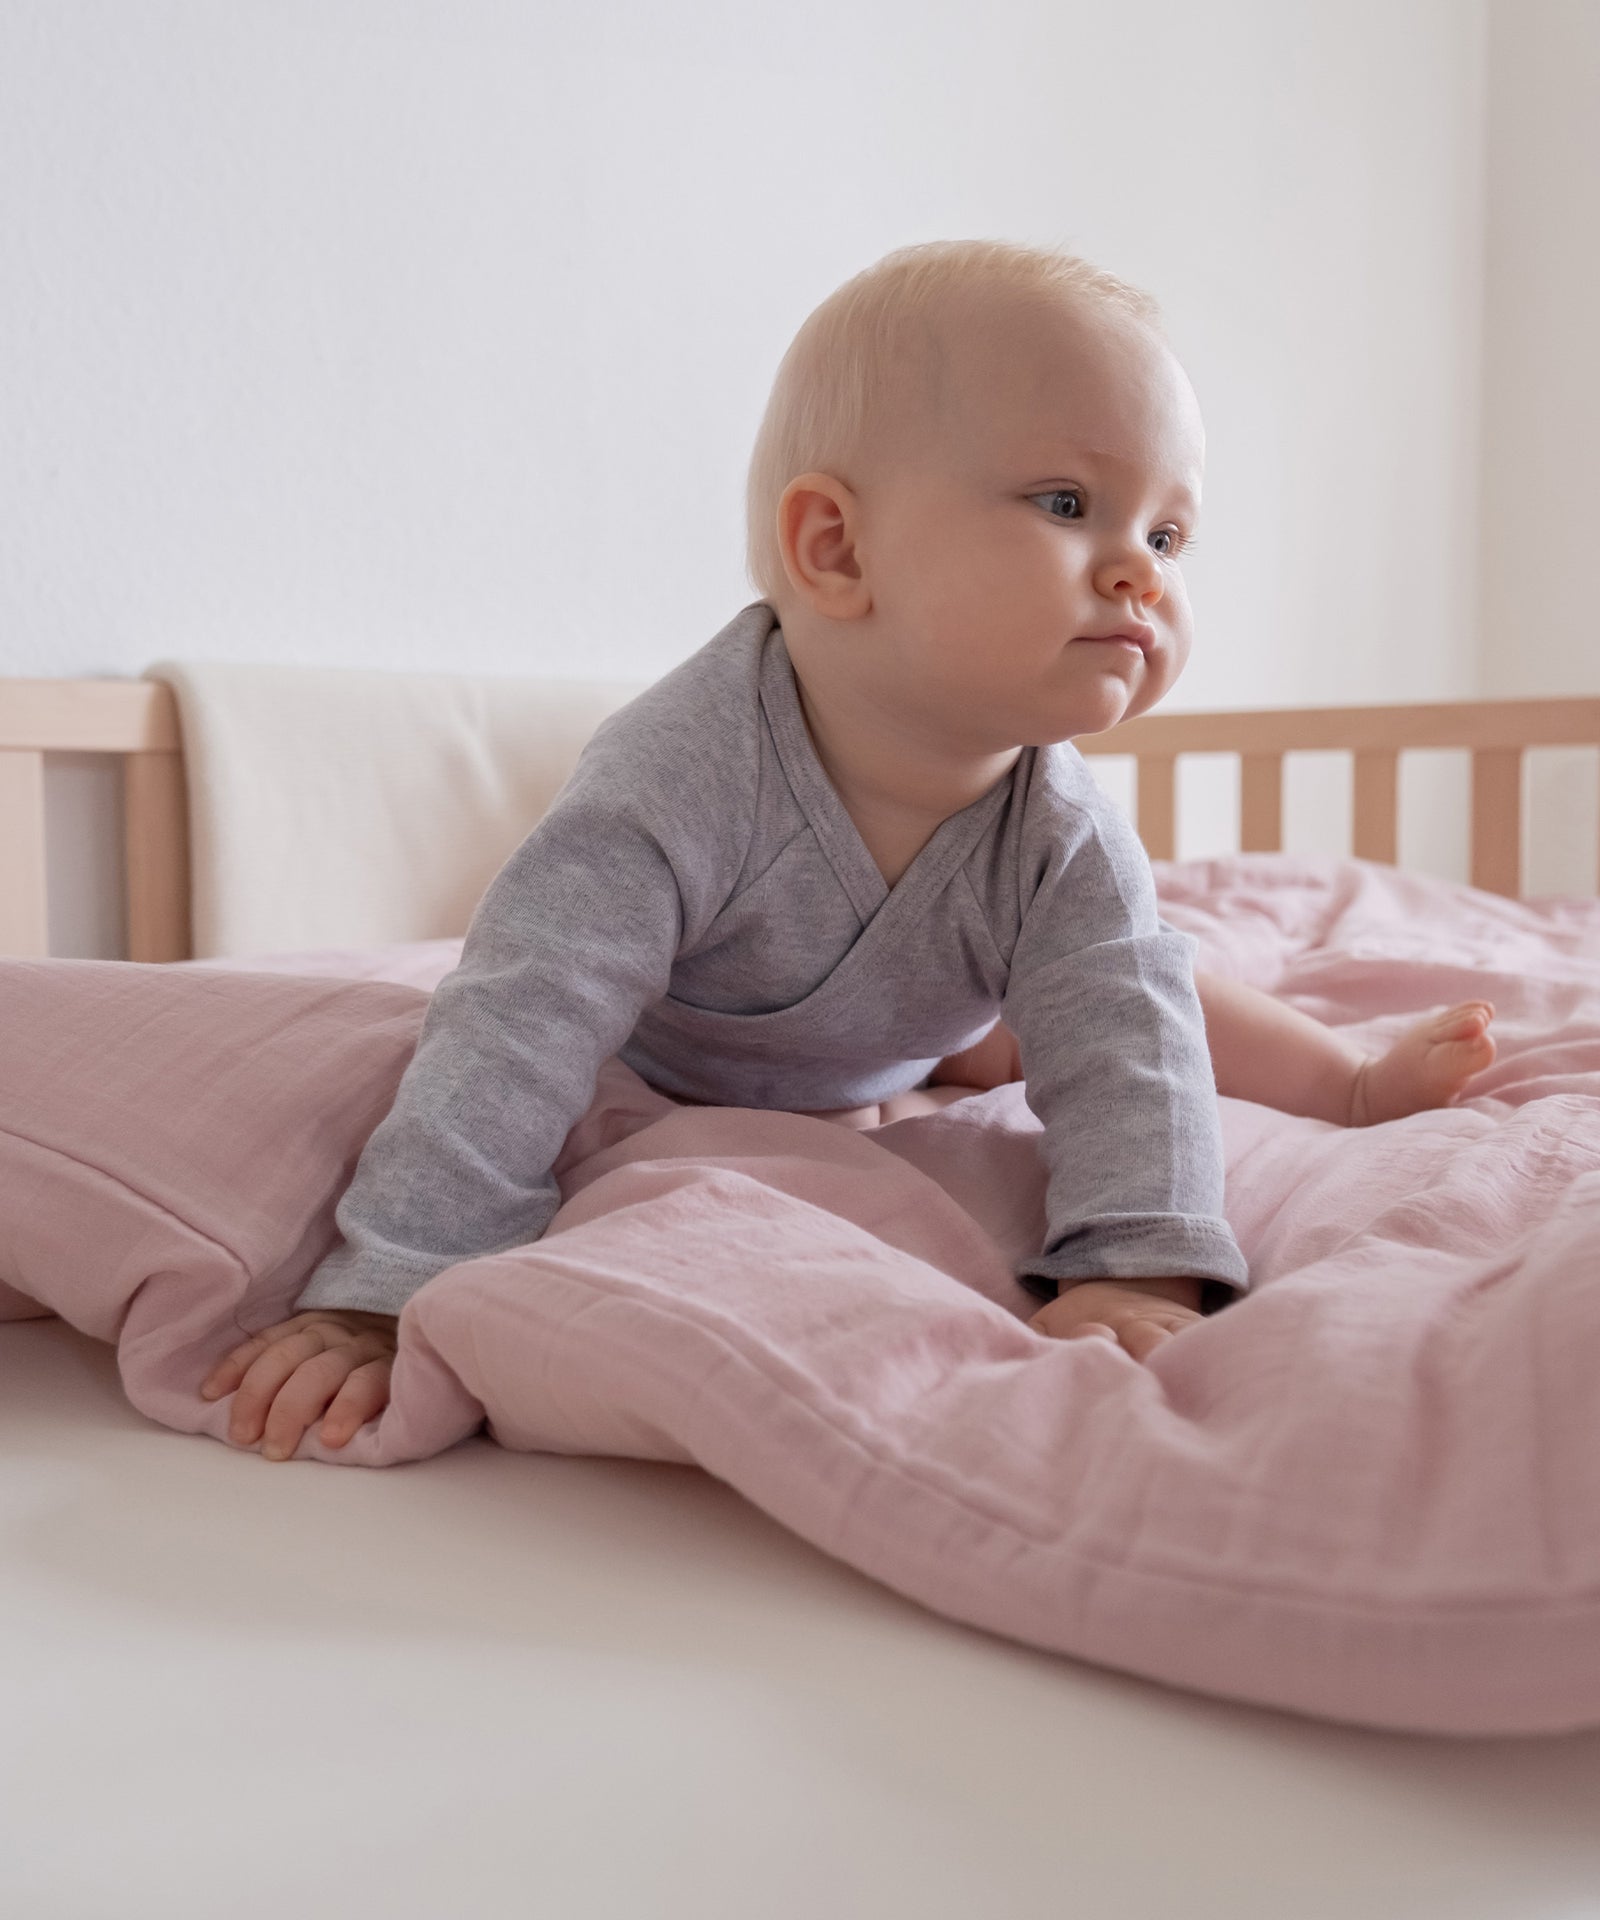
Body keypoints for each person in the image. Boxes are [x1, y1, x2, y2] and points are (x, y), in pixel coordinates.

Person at [200, 239, 1494, 1462]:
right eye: (1068, 502)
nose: (1141, 576)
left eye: (1167, 535)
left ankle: (1352, 1083)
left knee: (1140, 985)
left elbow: (1133, 1056)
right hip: (683, 1042)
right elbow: (520, 1017)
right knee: (1054, 1001)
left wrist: (1134, 1265)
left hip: (929, 1020)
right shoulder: (679, 773)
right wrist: (388, 1287)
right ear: (837, 548)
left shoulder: (1061, 826)